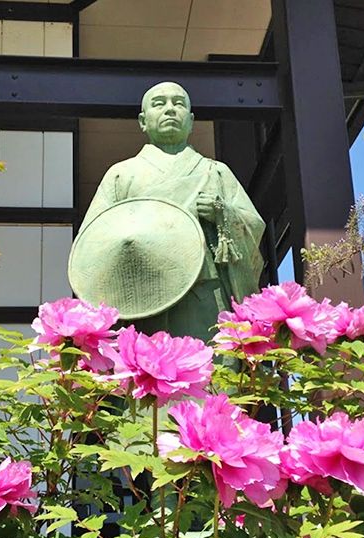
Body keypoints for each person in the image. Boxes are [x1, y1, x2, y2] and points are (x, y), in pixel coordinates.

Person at [73, 81, 266, 342]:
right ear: (143, 121)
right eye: (159, 104)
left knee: (214, 373)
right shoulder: (121, 175)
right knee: (146, 373)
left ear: (191, 120)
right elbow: (93, 242)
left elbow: (254, 225)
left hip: (206, 295)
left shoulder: (215, 171)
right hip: (141, 295)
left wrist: (223, 213)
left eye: (178, 104)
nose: (170, 110)